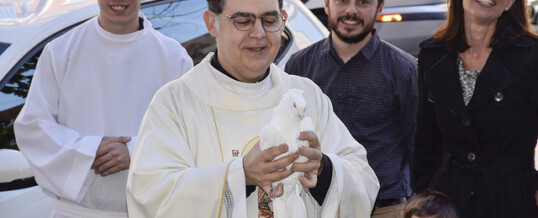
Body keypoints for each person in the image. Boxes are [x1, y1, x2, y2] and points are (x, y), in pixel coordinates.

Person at [125, 0, 380, 217]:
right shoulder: (175, 104)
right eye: (243, 20)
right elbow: (152, 197)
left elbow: (364, 180)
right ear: (212, 23)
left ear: (282, 20)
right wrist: (241, 175)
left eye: (269, 20)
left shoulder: (306, 96)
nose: (259, 33)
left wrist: (324, 169)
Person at [13, 0, 193, 217]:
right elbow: (33, 127)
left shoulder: (174, 56)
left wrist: (135, 152)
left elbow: (191, 132)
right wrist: (89, 151)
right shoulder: (61, 51)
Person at [284, 0, 417, 217]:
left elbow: (419, 149)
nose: (351, 11)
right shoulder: (299, 66)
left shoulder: (405, 70)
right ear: (327, 4)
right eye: (342, 1)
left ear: (380, 7)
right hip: (318, 206)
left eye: (363, 2)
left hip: (385, 208)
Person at [411, 0, 538, 217]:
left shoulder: (531, 56)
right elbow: (425, 140)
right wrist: (423, 197)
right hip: (448, 203)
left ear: (510, 2)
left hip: (512, 201)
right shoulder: (433, 54)